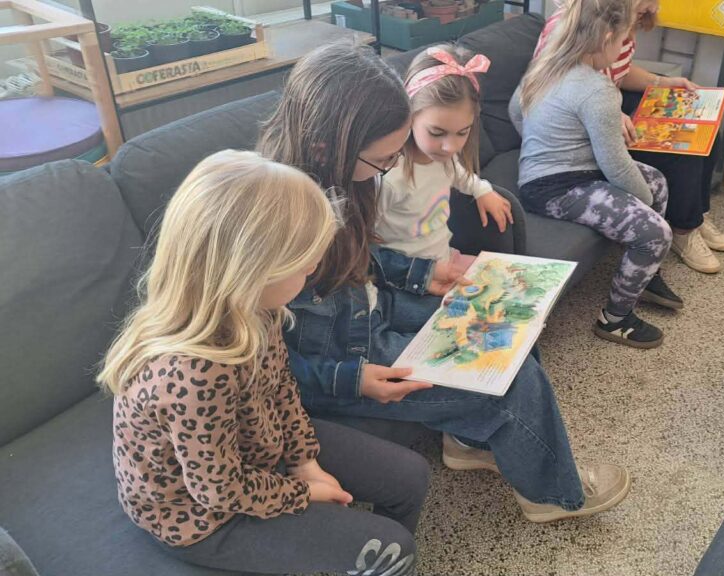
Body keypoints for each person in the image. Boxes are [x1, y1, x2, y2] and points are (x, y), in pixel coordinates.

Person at [257, 44, 632, 523]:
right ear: (327, 146)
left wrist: (422, 273)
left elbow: (359, 256)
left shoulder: (341, 178)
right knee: (512, 384)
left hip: (371, 311)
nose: (390, 169)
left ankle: (468, 440)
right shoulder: (273, 224)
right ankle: (552, 496)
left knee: (509, 324)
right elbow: (261, 359)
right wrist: (351, 379)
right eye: (383, 160)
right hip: (345, 363)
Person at [98, 150, 428, 575]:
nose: (314, 269)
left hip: (253, 452)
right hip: (202, 518)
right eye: (304, 264)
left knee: (411, 477)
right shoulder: (193, 373)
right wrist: (303, 494)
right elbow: (219, 492)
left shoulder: (260, 308)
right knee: (394, 550)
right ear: (251, 270)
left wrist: (304, 461)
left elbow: (281, 388)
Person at [513, 0, 724, 274]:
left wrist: (663, 83)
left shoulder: (617, 24)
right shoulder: (572, 24)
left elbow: (621, 70)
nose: (652, 11)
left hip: (606, 101)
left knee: (703, 128)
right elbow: (545, 87)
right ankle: (683, 228)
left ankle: (696, 215)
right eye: (644, 8)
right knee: (680, 145)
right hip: (587, 119)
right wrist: (607, 114)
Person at [516, 0, 682, 349]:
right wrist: (644, 206)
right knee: (656, 233)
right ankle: (616, 320)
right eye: (623, 40)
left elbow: (515, 110)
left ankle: (643, 273)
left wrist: (541, 145)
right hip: (555, 188)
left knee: (657, 180)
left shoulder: (547, 64)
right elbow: (616, 165)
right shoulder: (598, 90)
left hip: (562, 172)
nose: (626, 47)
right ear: (607, 38)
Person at [377, 44, 513, 278]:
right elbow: (365, 245)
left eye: (462, 132)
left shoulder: (444, 158)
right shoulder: (390, 178)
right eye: (437, 133)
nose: (451, 147)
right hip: (409, 278)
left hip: (446, 259)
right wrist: (419, 274)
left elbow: (458, 174)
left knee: (508, 278)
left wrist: (481, 190)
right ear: (409, 115)